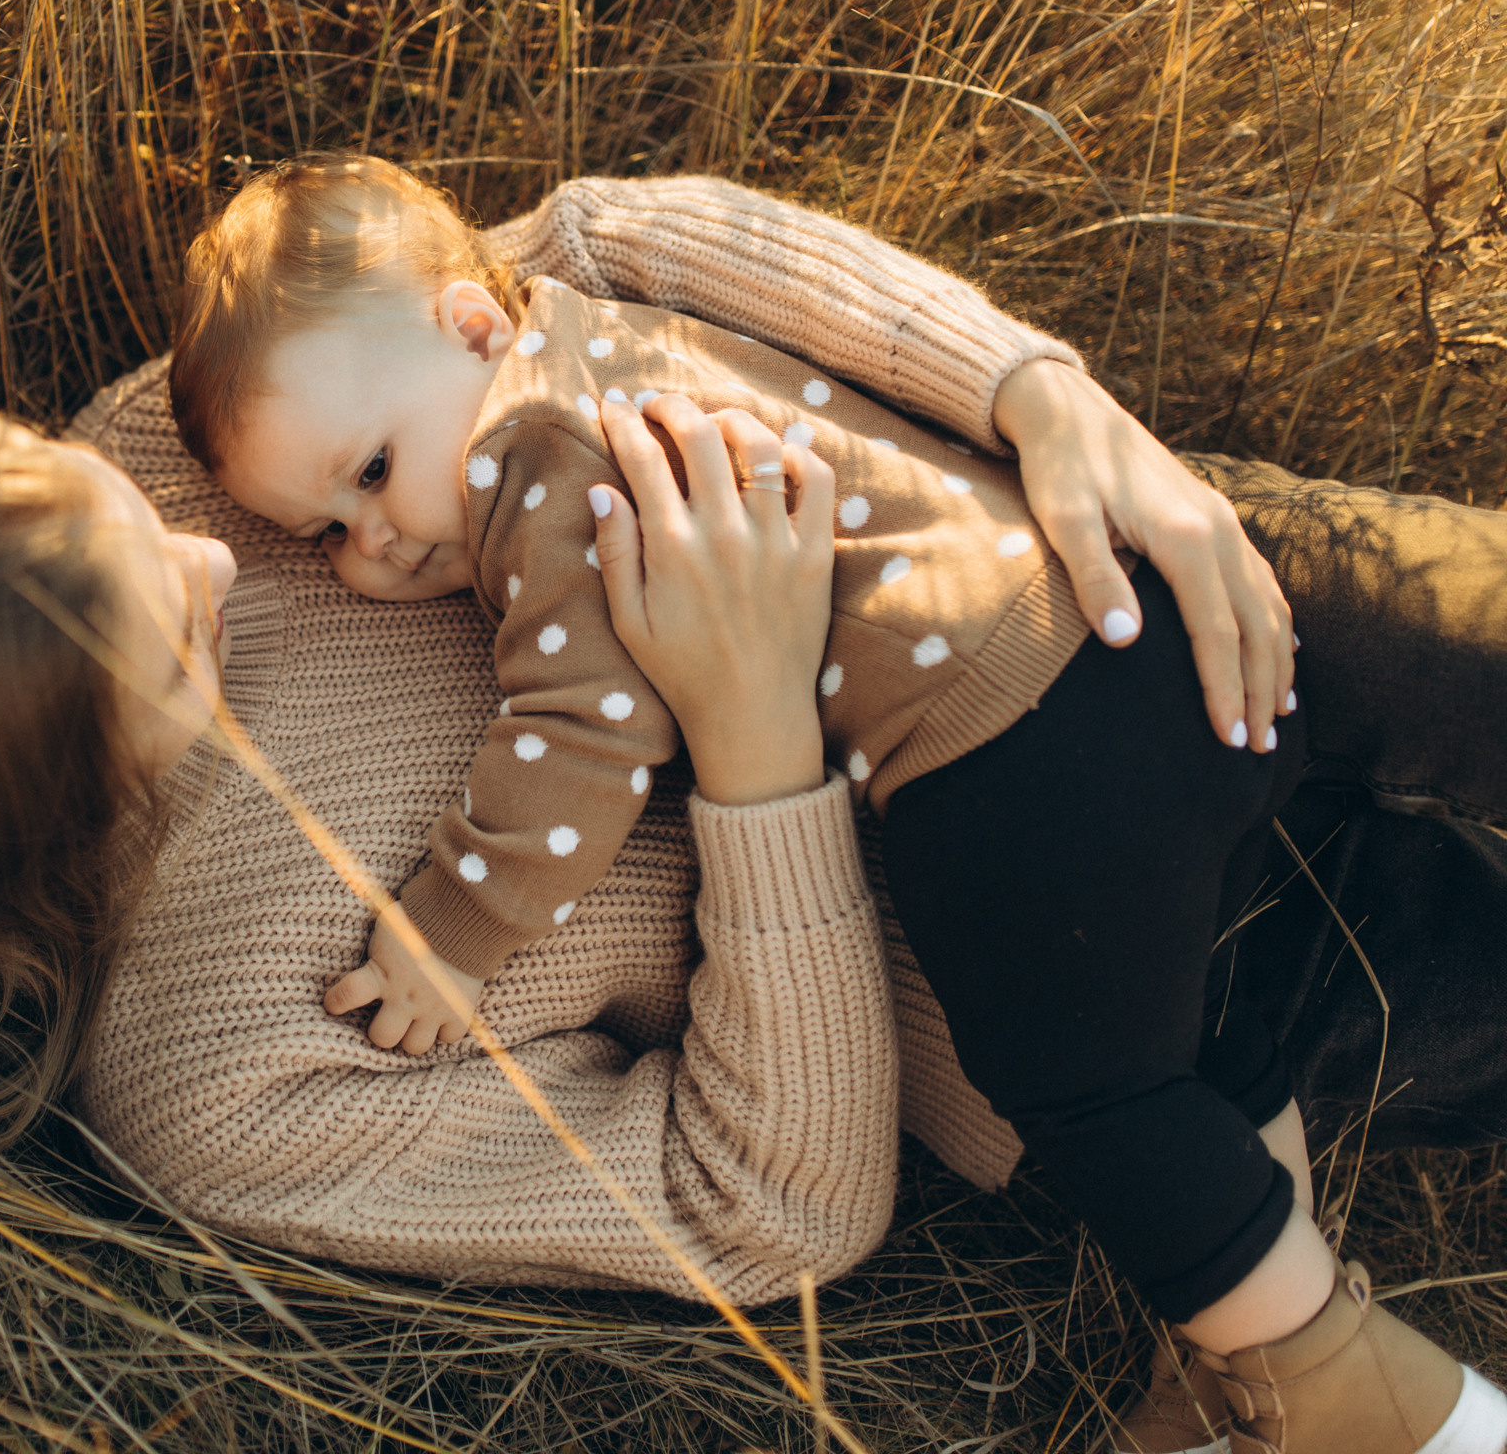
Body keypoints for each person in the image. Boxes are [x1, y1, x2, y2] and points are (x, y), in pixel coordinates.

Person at [0, 173, 1507, 1454]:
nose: (231, 565)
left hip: (1044, 566)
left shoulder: (163, 441)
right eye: (159, 658)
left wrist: (1042, 395)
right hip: (1092, 979)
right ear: (30, 830)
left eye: (114, 509)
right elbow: (767, 1210)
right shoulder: (224, 1085)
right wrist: (752, 752)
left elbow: (595, 246)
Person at [164, 154, 1267, 1049]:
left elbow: (587, 724)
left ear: (473, 328)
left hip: (995, 734)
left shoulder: (525, 457)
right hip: (1042, 576)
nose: (380, 540)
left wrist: (458, 925)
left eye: (369, 476)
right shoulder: (588, 339)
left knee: (1159, 1056)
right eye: (329, 535)